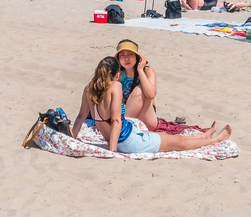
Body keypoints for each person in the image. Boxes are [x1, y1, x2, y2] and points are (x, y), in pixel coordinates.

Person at [70, 57, 231, 154]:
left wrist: (71, 139)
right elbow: (116, 121)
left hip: (127, 136)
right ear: (117, 75)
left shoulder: (88, 88)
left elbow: (80, 117)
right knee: (179, 142)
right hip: (128, 141)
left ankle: (202, 137)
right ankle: (216, 140)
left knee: (168, 138)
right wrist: (113, 151)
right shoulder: (115, 86)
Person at [114, 40, 157, 129]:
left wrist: (140, 71)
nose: (126, 59)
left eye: (130, 54)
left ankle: (120, 128)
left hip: (146, 116)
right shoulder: (119, 75)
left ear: (137, 57)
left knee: (139, 90)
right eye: (122, 56)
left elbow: (151, 95)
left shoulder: (147, 72)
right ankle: (122, 126)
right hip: (127, 113)